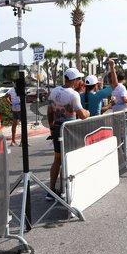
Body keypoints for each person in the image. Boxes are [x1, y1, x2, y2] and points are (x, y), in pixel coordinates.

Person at [47, 68, 90, 199]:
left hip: (57, 127)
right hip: (68, 130)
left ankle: (51, 190)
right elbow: (82, 115)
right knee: (67, 159)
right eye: (79, 79)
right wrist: (88, 112)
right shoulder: (73, 94)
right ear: (74, 80)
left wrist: (51, 126)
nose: (80, 81)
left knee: (57, 160)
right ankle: (63, 191)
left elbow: (49, 111)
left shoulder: (54, 91)